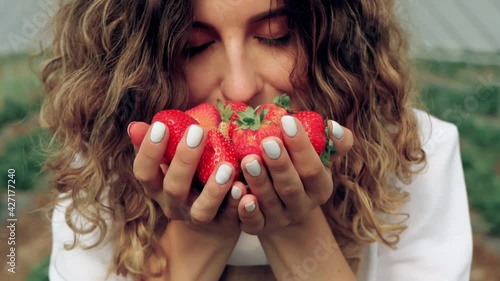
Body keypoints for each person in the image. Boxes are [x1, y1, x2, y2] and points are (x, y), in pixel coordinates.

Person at [41, 0, 472, 280]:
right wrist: (202, 236)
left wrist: (296, 226)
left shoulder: (420, 157)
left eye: (275, 36)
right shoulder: (101, 168)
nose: (241, 88)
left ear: (334, 41)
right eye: (192, 47)